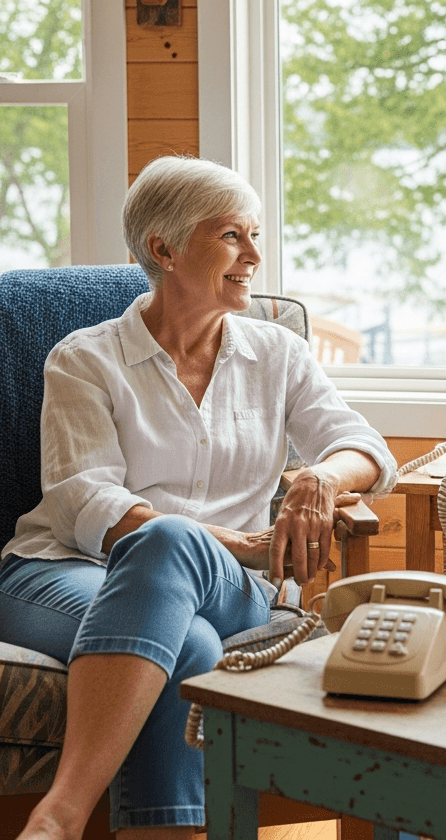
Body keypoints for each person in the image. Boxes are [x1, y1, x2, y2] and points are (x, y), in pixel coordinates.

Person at [0, 156, 398, 840]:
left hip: (234, 585)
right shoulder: (83, 358)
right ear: (165, 248)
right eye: (234, 237)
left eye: (255, 235)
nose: (255, 255)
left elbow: (364, 447)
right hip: (58, 571)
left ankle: (57, 817)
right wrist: (230, 542)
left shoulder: (278, 355)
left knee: (173, 553)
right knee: (186, 636)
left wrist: (319, 478)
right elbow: (84, 500)